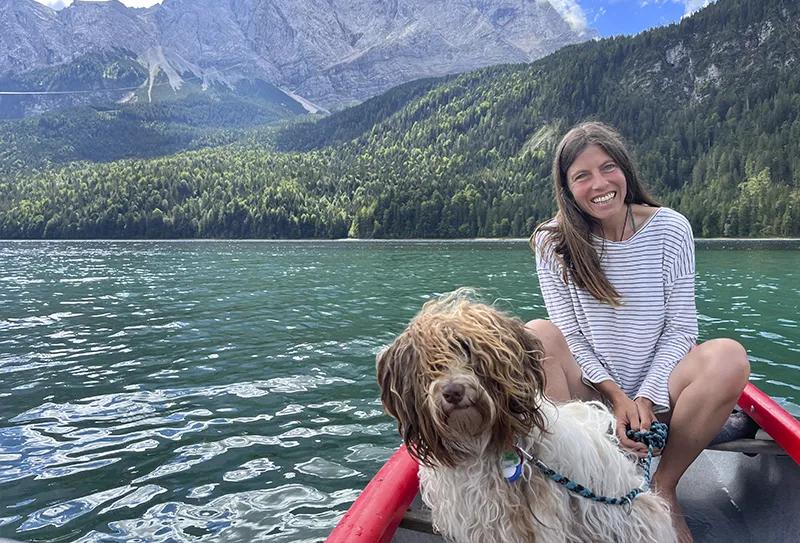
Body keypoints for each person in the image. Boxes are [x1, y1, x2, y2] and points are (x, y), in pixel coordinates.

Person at [526, 121, 750, 543]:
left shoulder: (670, 228)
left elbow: (682, 328)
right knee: (537, 334)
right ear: (566, 188)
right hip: (592, 396)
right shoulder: (551, 241)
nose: (600, 184)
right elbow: (570, 334)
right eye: (582, 176)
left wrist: (645, 396)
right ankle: (574, 479)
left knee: (728, 357)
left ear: (625, 170)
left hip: (660, 394)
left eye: (608, 167)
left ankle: (663, 489)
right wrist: (616, 398)